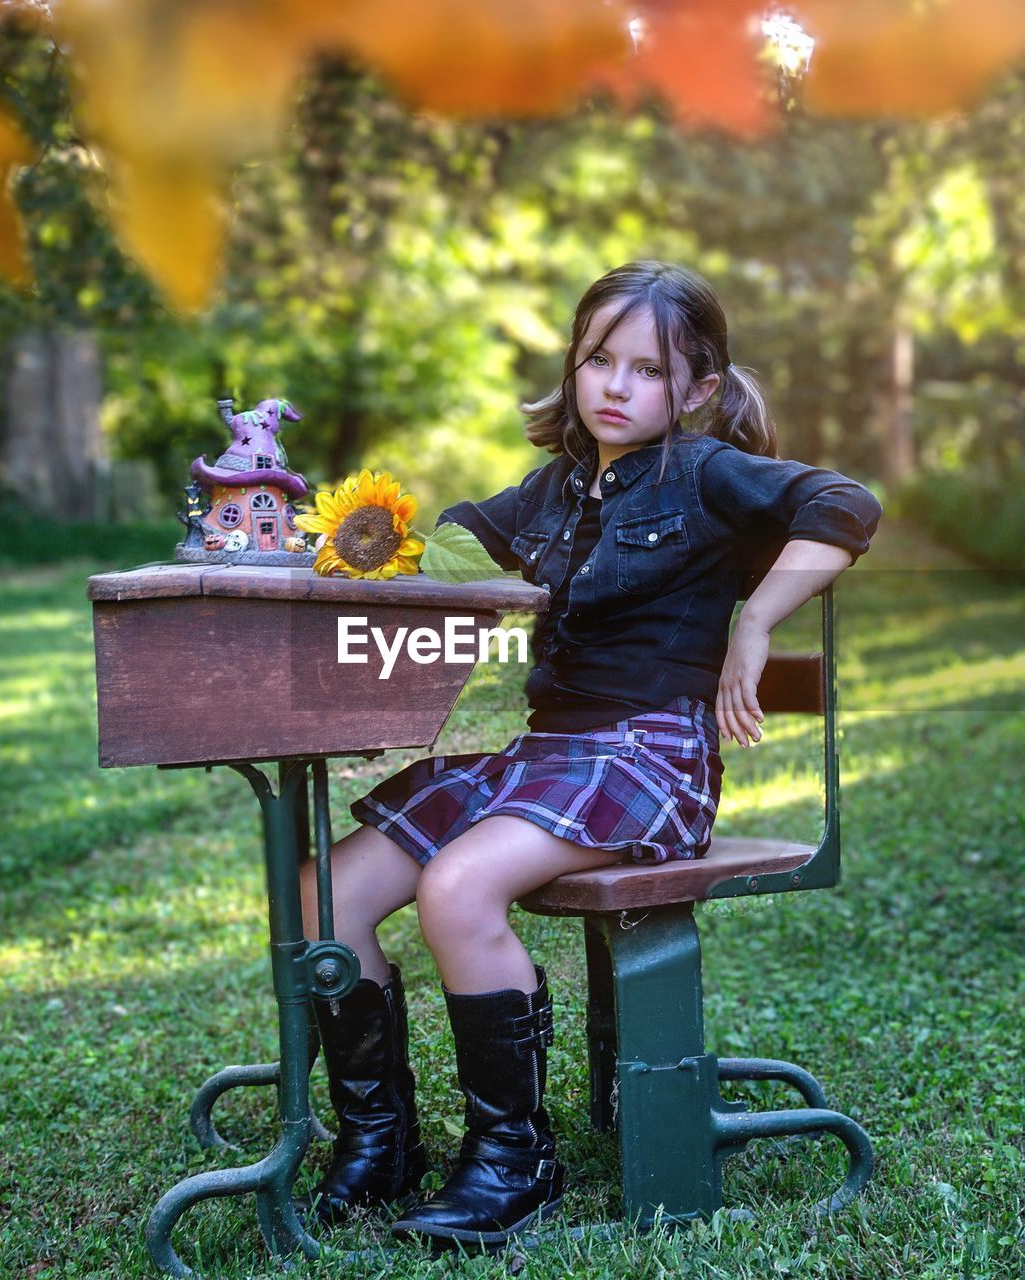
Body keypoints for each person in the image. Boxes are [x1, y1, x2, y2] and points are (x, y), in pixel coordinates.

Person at [298, 260, 883, 1248]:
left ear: (694, 389)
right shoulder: (557, 487)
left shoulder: (698, 472)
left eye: (646, 370)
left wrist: (754, 622)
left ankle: (511, 1164)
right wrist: (358, 547)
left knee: (455, 886)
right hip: (548, 756)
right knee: (328, 892)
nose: (615, 386)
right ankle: (376, 1139)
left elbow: (845, 504)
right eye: (597, 360)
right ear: (572, 366)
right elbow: (455, 542)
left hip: (647, 759)